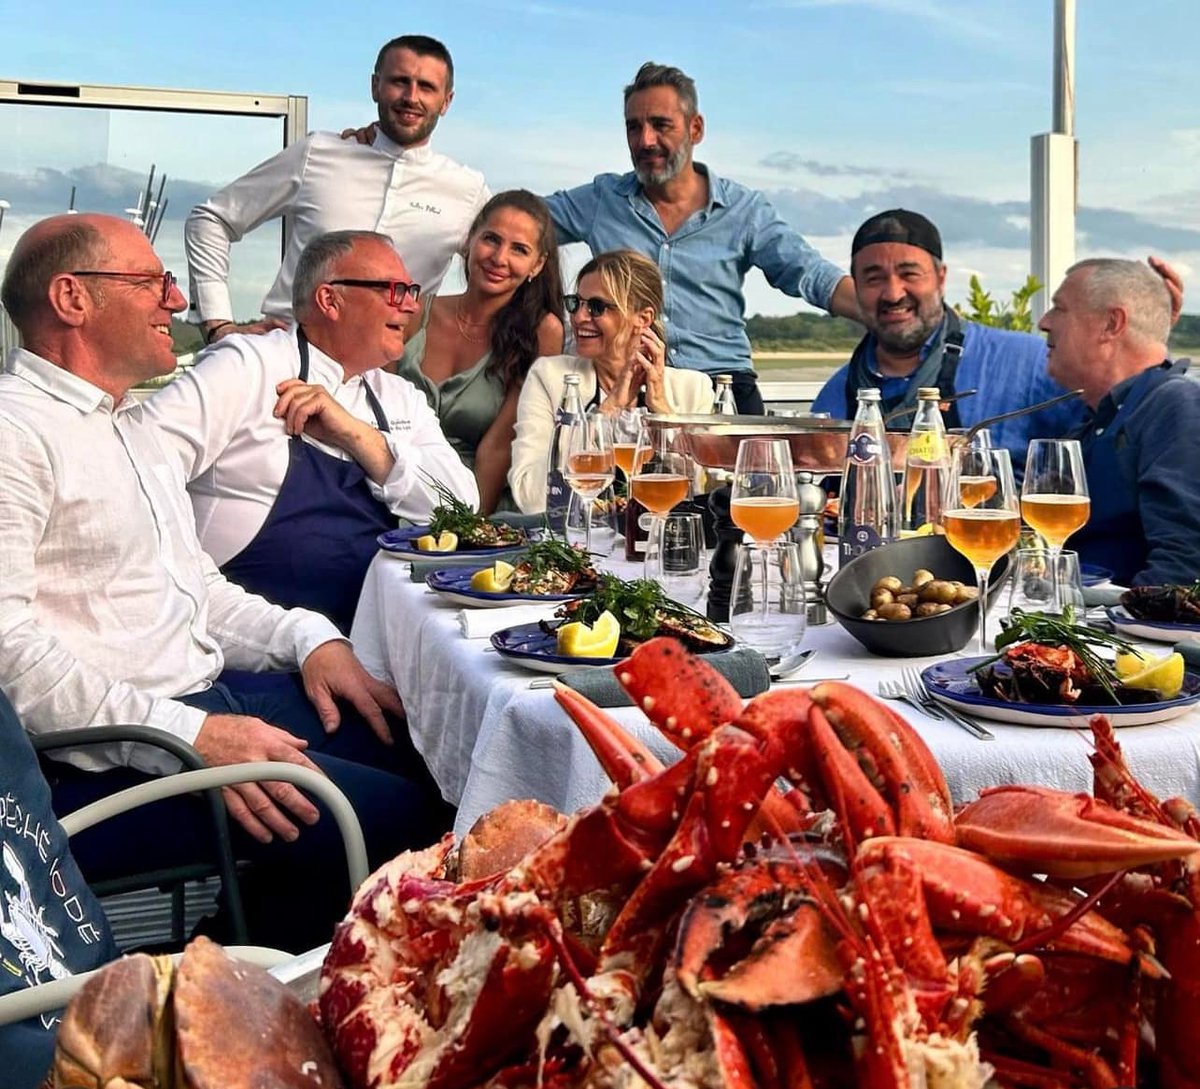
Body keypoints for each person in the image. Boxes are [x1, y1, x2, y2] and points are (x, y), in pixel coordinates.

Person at [0, 213, 447, 949]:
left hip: (206, 700)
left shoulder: (123, 424)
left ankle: (227, 954)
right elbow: (11, 656)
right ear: (72, 298)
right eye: (150, 281)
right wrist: (195, 737)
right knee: (402, 820)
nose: (176, 300)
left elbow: (197, 588)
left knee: (433, 753)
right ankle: (238, 987)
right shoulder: (17, 433)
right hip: (108, 760)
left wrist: (310, 638)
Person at [145, 230, 477, 634]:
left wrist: (356, 436)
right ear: (329, 300)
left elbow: (460, 506)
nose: (410, 306)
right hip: (237, 645)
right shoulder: (248, 367)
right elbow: (142, 468)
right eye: (394, 291)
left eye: (411, 291)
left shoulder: (399, 396)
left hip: (365, 640)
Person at [542, 62, 860, 415]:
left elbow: (810, 274)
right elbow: (518, 226)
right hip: (628, 385)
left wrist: (885, 314)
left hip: (723, 387)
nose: (646, 140)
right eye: (634, 127)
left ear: (696, 128)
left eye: (661, 125)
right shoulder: (602, 200)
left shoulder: (744, 210)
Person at [809, 208, 1176, 473]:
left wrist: (1149, 331)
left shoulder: (1031, 362)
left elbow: (1133, 419)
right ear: (855, 288)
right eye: (873, 278)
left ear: (940, 278)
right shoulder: (837, 393)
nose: (893, 293)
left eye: (909, 274)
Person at [185, 34, 488, 344]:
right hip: (284, 358)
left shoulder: (467, 191)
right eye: (399, 81)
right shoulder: (319, 153)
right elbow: (211, 220)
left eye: (426, 87)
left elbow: (517, 265)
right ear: (375, 86)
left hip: (389, 375)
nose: (411, 97)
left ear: (446, 101)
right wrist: (218, 324)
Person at [396, 190, 564, 513]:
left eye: (519, 249)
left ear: (537, 265)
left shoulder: (542, 332)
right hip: (393, 484)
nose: (499, 258)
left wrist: (466, 533)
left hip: (473, 501)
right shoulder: (413, 312)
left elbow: (499, 447)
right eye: (491, 239)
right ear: (470, 240)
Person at [509, 249, 711, 513]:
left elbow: (703, 493)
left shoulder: (692, 390)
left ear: (643, 318)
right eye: (575, 303)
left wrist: (663, 415)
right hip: (576, 545)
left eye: (596, 307)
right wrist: (604, 415)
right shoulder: (551, 379)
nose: (579, 317)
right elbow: (530, 498)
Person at [1038, 258, 1200, 586]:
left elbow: (1184, 570)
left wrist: (1106, 627)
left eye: (1059, 308)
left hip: (1122, 631)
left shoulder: (1175, 407)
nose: (1043, 322)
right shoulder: (1099, 417)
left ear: (1112, 324)